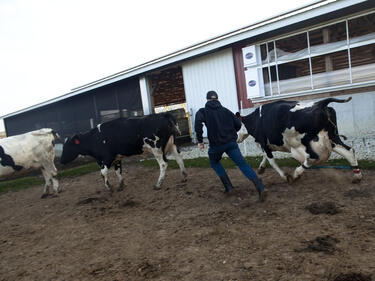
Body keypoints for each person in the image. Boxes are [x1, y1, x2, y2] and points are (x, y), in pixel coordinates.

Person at [194, 90, 268, 202]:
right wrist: (229, 130)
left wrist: (200, 141)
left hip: (216, 146)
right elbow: (238, 125)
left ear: (207, 100)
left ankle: (229, 187)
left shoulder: (203, 111)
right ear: (217, 99)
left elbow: (197, 124)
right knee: (243, 164)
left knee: (214, 162)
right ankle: (260, 187)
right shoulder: (226, 111)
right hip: (231, 143)